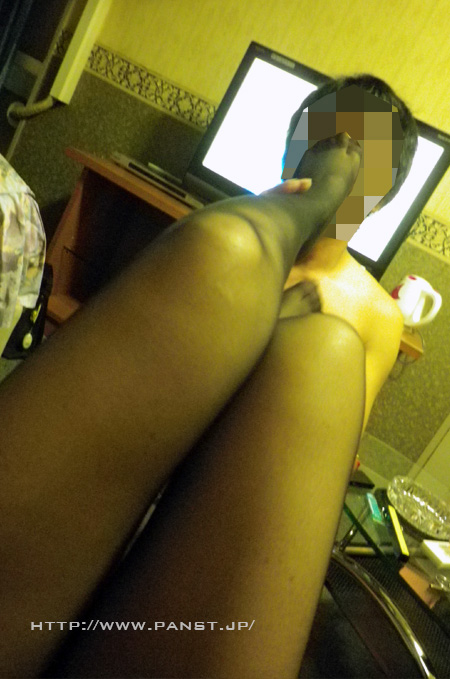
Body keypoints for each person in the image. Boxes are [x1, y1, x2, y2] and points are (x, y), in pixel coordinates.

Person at [0, 128, 404, 679]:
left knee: (261, 285)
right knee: (316, 343)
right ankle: (282, 276)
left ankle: (294, 215)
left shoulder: (378, 314)